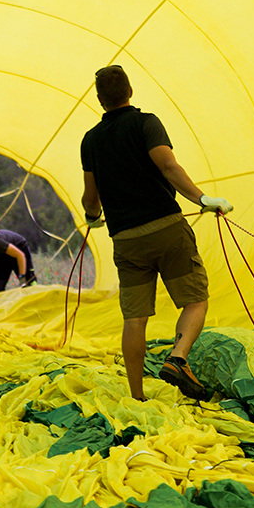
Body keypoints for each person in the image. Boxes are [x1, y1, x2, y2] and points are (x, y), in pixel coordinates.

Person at [79, 64, 233, 402]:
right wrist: (202, 199)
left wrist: (92, 217)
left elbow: (91, 198)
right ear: (130, 92)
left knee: (135, 320)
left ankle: (137, 396)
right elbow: (168, 165)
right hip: (166, 229)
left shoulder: (90, 140)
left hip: (126, 241)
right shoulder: (146, 123)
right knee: (195, 301)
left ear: (100, 100)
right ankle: (177, 358)